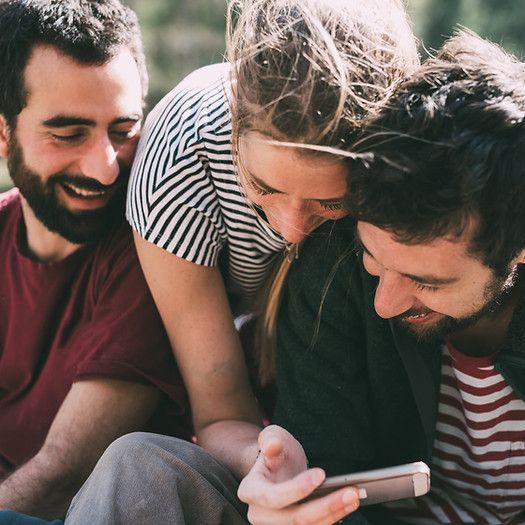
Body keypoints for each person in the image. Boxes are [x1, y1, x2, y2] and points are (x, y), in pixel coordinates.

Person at [64, 0, 419, 523]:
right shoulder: (179, 163)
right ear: (234, 106)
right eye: (266, 188)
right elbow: (221, 410)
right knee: (136, 466)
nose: (292, 230)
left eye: (330, 202)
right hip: (252, 408)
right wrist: (267, 463)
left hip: (360, 411)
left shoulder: (407, 154)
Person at [242, 30, 525, 524]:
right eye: (375, 260)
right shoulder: (333, 268)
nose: (385, 304)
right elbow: (327, 476)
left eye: (427, 281)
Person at [0, 0, 191, 520]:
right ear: (3, 134)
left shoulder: (155, 247)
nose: (106, 170)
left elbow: (62, 477)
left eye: (123, 131)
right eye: (68, 134)